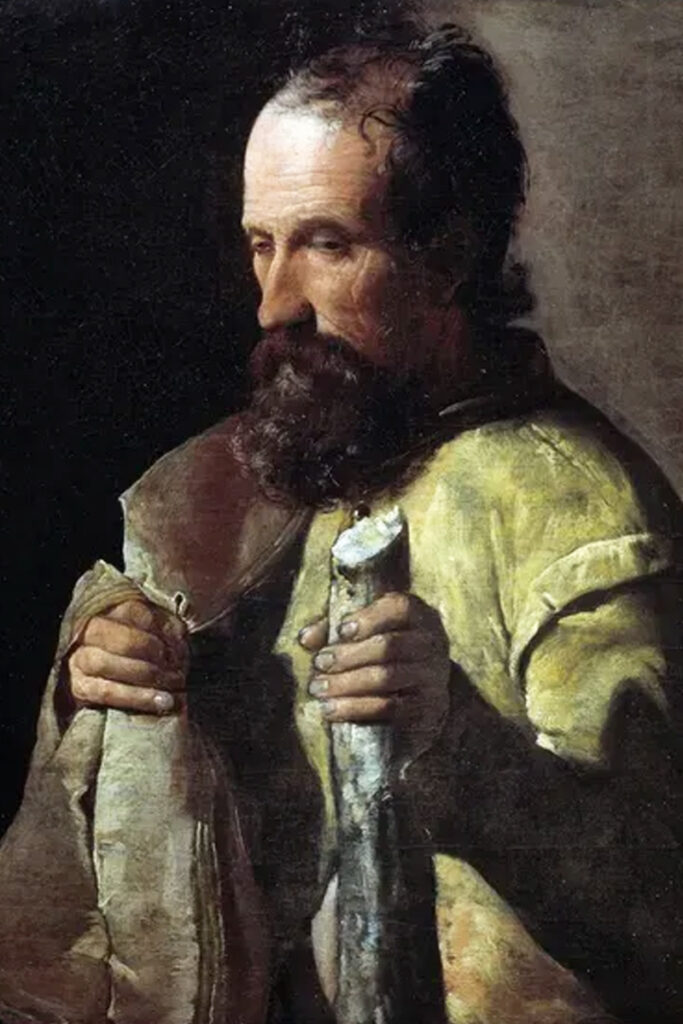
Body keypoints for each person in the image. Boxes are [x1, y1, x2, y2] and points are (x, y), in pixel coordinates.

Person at [1, 22, 681, 1024]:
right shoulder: (273, 468)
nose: (274, 304)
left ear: (448, 253)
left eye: (327, 244)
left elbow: (659, 906)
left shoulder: (578, 509)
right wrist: (102, 673)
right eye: (261, 245)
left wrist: (456, 739)